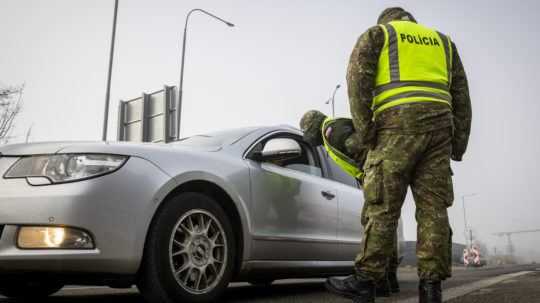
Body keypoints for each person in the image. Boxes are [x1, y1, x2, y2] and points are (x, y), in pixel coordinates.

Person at [324, 7, 472, 303]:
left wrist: (366, 132)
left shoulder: (379, 35)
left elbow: (357, 81)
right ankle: (431, 289)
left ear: (386, 20)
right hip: (440, 129)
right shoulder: (443, 42)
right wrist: (459, 143)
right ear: (412, 23)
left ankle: (366, 281)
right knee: (433, 209)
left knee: (383, 205)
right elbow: (461, 96)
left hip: (395, 127)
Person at [300, 110, 400, 297]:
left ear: (313, 126)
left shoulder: (333, 132)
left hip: (379, 174)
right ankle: (387, 279)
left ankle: (378, 280)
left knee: (374, 223)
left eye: (307, 133)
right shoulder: (334, 130)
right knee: (384, 226)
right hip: (383, 174)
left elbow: (364, 152)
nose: (309, 140)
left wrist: (371, 178)